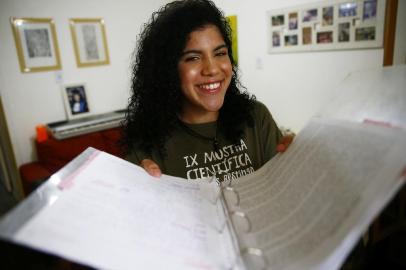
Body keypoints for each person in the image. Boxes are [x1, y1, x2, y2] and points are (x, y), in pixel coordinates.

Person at [122, 0, 293, 182]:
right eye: (193, 58)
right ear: (168, 69)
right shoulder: (148, 141)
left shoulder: (256, 118)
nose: (212, 69)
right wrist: (136, 192)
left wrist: (298, 159)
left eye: (220, 53)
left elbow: (286, 187)